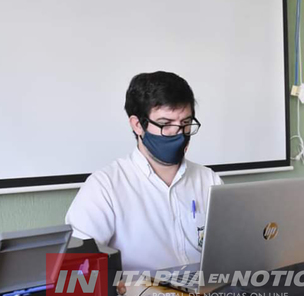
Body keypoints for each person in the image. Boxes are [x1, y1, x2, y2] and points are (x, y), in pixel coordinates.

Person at [66, 71, 223, 271]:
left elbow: (232, 250)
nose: (178, 133)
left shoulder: (209, 180)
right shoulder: (104, 187)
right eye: (166, 125)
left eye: (185, 123)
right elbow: (73, 274)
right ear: (138, 125)